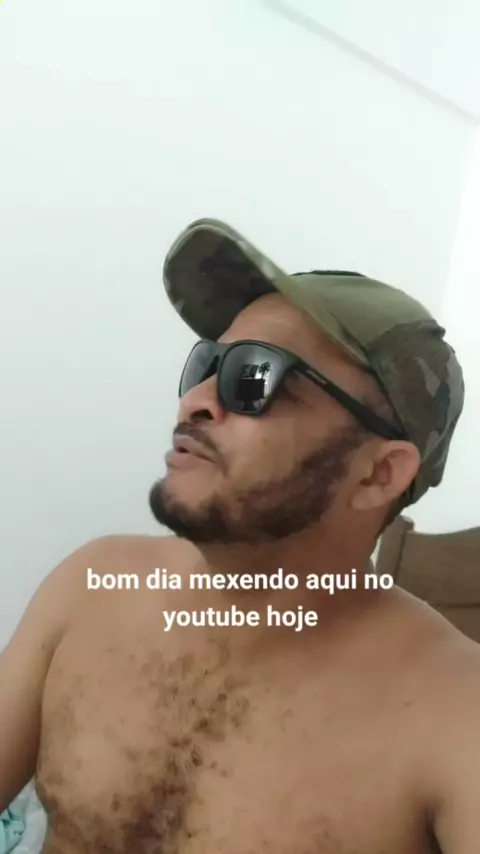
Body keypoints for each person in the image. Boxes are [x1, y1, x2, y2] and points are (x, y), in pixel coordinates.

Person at [0, 218, 477, 854]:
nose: (194, 402)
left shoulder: (455, 714)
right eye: (205, 364)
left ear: (378, 473)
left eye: (254, 377)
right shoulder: (90, 587)